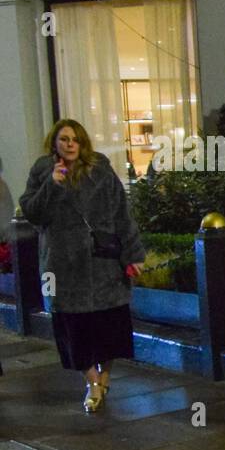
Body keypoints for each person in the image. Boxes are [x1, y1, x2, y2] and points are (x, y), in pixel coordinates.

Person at [19, 120, 146, 413]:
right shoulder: (42, 171)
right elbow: (33, 213)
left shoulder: (100, 168)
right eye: (64, 139)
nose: (70, 144)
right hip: (63, 264)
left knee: (109, 324)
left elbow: (121, 214)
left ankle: (104, 377)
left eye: (75, 139)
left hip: (103, 261)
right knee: (73, 327)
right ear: (55, 143)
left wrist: (133, 254)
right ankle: (91, 382)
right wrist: (52, 184)